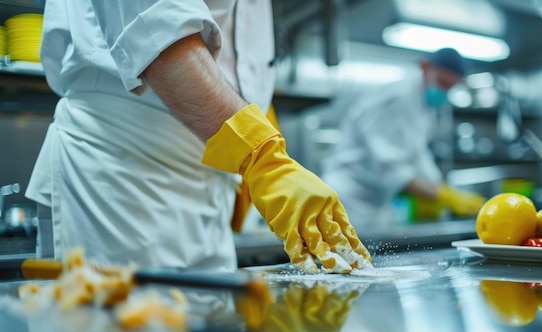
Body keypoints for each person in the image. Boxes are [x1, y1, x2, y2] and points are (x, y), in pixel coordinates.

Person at [26, 1, 372, 274]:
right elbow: (156, 29)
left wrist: (255, 131)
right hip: (121, 178)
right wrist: (260, 156)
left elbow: (238, 57)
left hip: (212, 183)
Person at [321, 48, 485, 232]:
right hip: (349, 197)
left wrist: (440, 186)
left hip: (377, 203)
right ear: (424, 66)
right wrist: (442, 195)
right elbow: (391, 169)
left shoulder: (422, 105)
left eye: (449, 88)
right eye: (441, 83)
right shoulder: (397, 99)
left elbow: (417, 155)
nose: (443, 92)